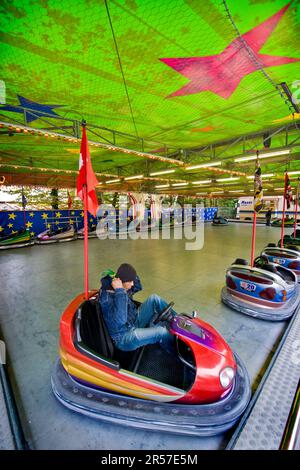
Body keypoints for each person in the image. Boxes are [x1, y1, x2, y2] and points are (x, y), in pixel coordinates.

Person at [99, 263, 175, 352]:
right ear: (122, 282)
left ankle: (178, 322)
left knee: (154, 298)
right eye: (130, 281)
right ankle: (173, 351)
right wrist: (120, 291)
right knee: (162, 332)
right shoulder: (108, 299)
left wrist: (129, 274)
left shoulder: (122, 285)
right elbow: (120, 320)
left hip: (133, 321)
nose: (132, 284)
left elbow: (138, 287)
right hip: (124, 337)